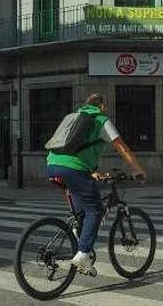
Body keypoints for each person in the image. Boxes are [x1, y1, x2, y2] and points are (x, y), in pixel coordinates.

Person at [46, 94, 147, 277]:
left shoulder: (73, 117)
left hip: (52, 165)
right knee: (96, 210)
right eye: (105, 107)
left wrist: (92, 172)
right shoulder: (100, 119)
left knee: (81, 212)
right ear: (101, 105)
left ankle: (78, 235)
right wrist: (139, 170)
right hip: (73, 168)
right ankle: (83, 254)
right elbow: (121, 147)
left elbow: (74, 149)